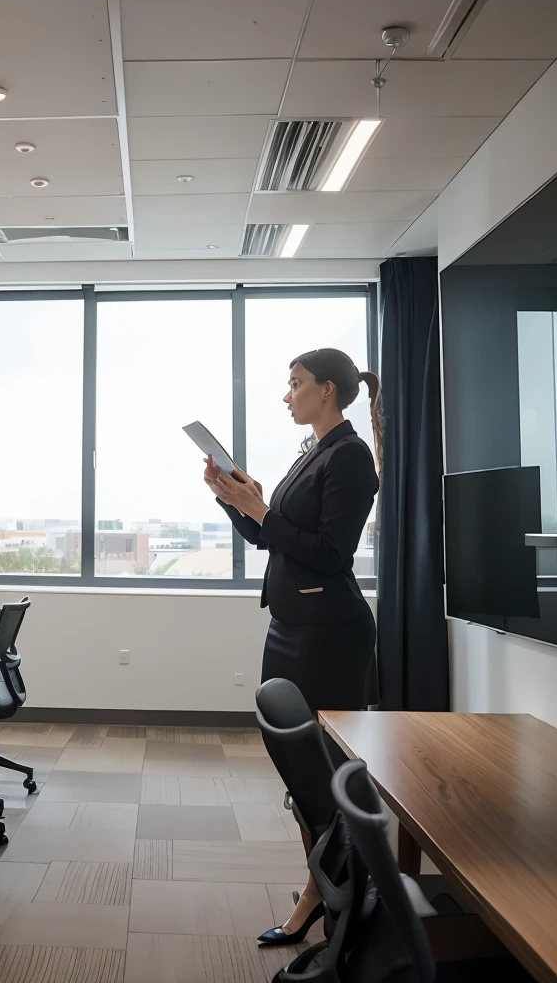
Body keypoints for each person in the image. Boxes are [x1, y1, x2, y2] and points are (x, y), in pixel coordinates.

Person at [203, 347, 381, 946]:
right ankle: (324, 887)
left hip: (328, 635)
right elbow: (272, 537)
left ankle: (331, 898)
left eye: (296, 383)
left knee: (322, 777)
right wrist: (234, 500)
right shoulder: (315, 453)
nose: (287, 395)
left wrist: (258, 506)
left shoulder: (351, 456)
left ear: (327, 390)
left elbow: (332, 554)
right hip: (290, 626)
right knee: (300, 775)